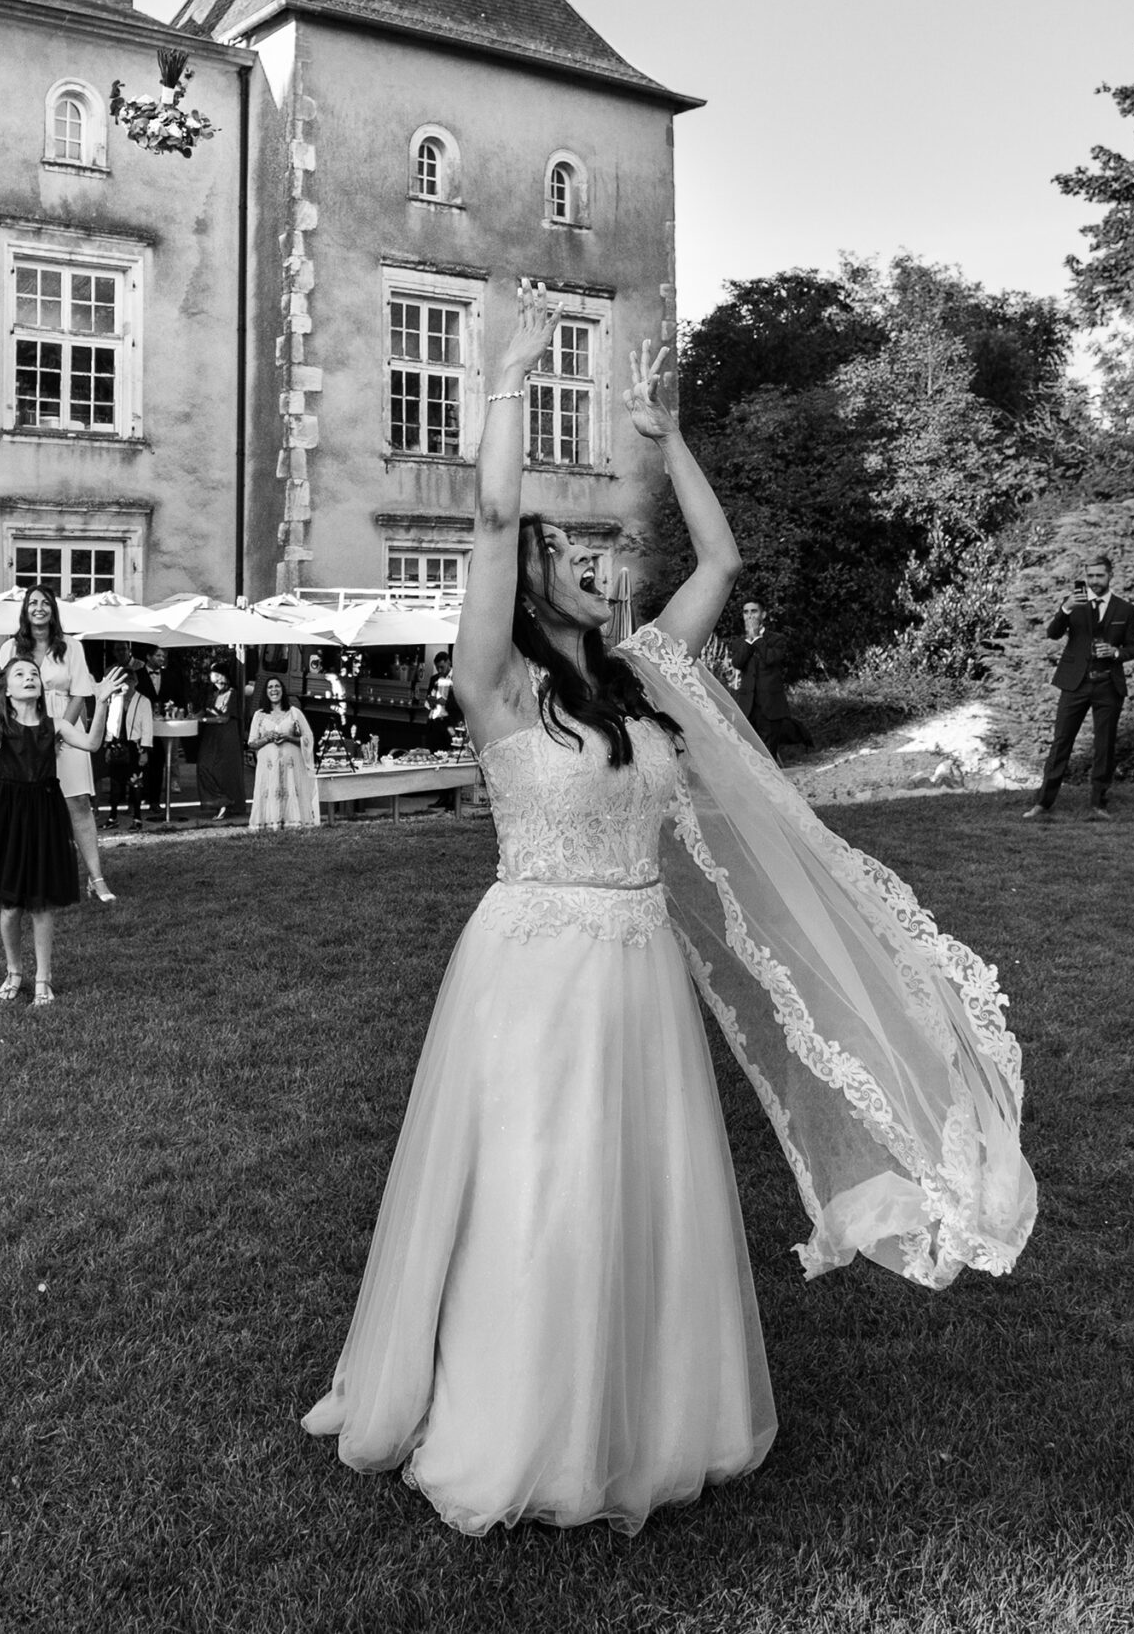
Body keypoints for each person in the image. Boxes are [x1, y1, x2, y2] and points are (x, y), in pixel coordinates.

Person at [301, 287, 1035, 1539]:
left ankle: (647, 1409)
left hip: (636, 961)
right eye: (566, 560)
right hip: (533, 963)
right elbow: (486, 516)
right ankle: (517, 1418)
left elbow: (722, 565)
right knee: (537, 1185)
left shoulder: (644, 680)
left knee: (641, 1186)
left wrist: (664, 434)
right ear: (526, 587)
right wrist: (505, 377)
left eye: (591, 557)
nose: (592, 570)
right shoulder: (491, 687)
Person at [0, 656, 123, 1005]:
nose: (29, 678)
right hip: (8, 815)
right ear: (6, 691)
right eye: (20, 674)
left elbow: (92, 744)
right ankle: (14, 970)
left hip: (44, 812)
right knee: (10, 906)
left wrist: (99, 703)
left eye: (34, 674)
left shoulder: (55, 725)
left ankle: (43, 977)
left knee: (41, 905)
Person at [1, 585, 117, 902]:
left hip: (66, 720)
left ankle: (97, 879)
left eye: (45, 603)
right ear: (25, 610)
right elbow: (5, 695)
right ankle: (31, 877)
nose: (39, 607)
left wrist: (57, 732)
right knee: (28, 806)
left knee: (78, 802)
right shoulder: (11, 648)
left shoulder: (71, 646)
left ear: (53, 610)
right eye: (33, 602)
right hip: (25, 729)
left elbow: (80, 691)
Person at [1024, 555, 1134, 822]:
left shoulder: (1124, 609)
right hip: (1074, 683)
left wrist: (1115, 652)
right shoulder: (1073, 602)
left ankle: (1099, 804)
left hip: (1109, 684)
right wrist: (1065, 609)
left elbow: (1132, 649)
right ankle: (1043, 803)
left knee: (1104, 745)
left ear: (1110, 575)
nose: (1094, 581)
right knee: (1061, 742)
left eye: (1099, 576)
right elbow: (1052, 633)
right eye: (1090, 576)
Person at [724, 601, 810, 760]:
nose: (749, 615)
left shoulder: (777, 639)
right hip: (747, 706)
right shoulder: (738, 643)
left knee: (768, 753)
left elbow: (770, 658)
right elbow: (737, 663)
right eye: (745, 612)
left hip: (770, 706)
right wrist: (749, 641)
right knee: (747, 752)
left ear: (763, 615)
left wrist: (757, 638)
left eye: (754, 611)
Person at [247, 675, 320, 829]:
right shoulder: (259, 715)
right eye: (270, 687)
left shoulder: (294, 713)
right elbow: (252, 743)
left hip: (291, 767)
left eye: (277, 686)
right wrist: (267, 738)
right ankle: (269, 823)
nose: (274, 690)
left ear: (282, 690)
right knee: (269, 791)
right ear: (266, 692)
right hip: (268, 768)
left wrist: (289, 737)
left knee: (291, 789)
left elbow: (308, 738)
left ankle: (293, 822)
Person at [102, 658, 159, 828]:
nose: (126, 685)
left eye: (129, 681)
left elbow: (147, 727)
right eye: (123, 681)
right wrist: (107, 744)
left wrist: (145, 750)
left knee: (135, 783)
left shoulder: (143, 701)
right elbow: (110, 723)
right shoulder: (115, 699)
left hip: (135, 745)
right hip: (117, 744)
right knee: (115, 784)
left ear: (135, 682)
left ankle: (137, 817)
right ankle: (112, 817)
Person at [194, 661, 247, 821]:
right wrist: (193, 717)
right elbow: (205, 710)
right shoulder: (213, 693)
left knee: (223, 771)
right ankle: (221, 801)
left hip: (226, 735)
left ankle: (225, 804)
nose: (211, 675)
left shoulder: (232, 693)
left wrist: (202, 720)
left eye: (213, 672)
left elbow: (223, 718)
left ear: (220, 675)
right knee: (203, 766)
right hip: (211, 735)